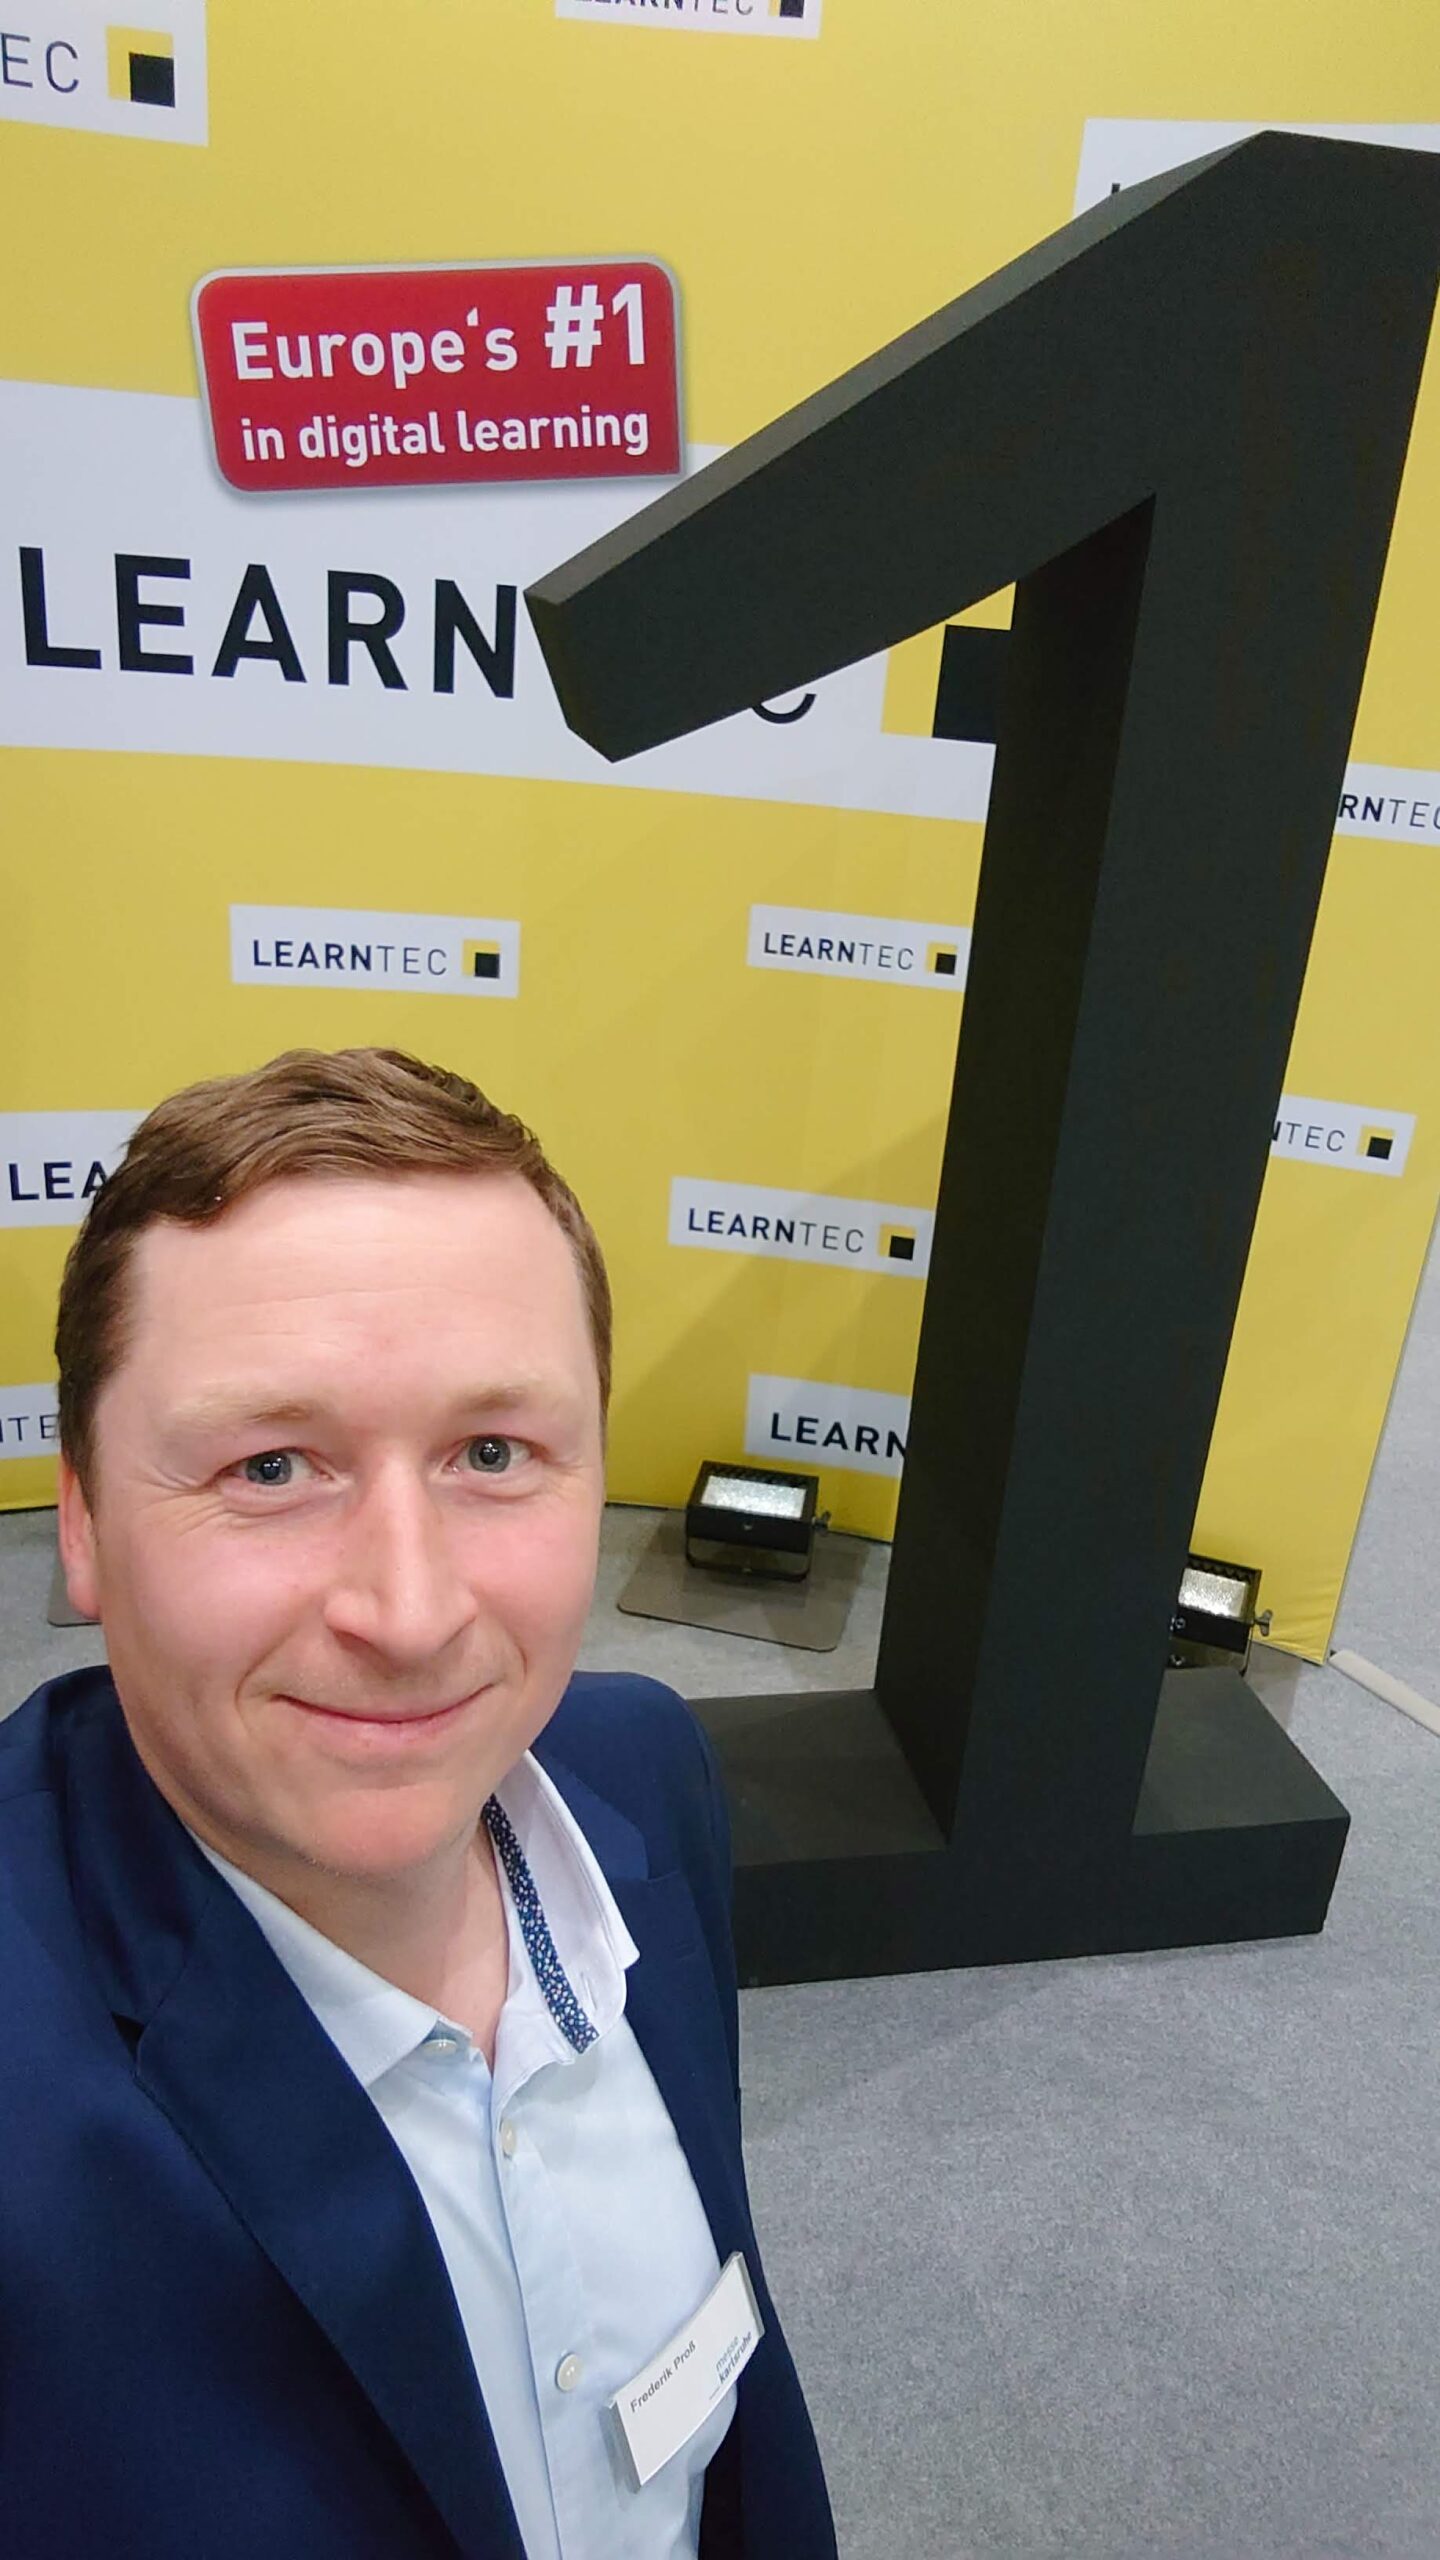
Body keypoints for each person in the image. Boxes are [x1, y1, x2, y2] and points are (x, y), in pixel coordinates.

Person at [0, 1046, 837, 2560]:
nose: (409, 1610)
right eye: (271, 1467)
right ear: (84, 1523)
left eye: (492, 1454)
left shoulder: (641, 1774)